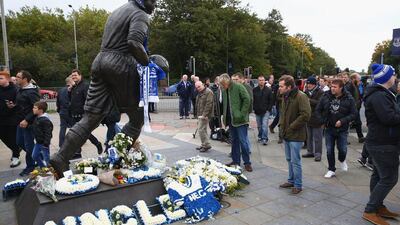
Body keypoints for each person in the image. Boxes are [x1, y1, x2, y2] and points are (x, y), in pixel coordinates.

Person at [50, 0, 158, 176]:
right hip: (121, 64)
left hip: (100, 61)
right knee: (137, 119)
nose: (155, 5)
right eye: (153, 0)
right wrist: (149, 64)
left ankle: (61, 157)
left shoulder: (118, 11)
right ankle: (113, 158)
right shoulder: (140, 14)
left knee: (91, 117)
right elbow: (134, 42)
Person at [362, 64, 400, 225]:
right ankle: (370, 210)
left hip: (380, 142)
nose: (395, 77)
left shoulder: (382, 93)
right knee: (389, 178)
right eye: (393, 75)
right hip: (383, 143)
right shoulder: (379, 96)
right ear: (386, 78)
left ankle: (378, 206)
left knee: (378, 176)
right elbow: (389, 118)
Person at [316, 79, 356, 179]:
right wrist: (322, 121)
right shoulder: (326, 96)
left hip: (342, 129)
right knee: (329, 150)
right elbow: (317, 110)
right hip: (329, 128)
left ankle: (342, 160)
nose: (332, 88)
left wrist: (342, 121)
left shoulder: (349, 98)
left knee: (342, 149)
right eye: (331, 86)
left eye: (335, 87)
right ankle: (331, 169)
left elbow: (354, 114)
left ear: (341, 88)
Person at [277, 75, 311, 194]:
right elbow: (283, 114)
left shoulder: (301, 96)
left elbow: (306, 115)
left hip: (296, 135)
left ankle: (298, 184)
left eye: (281, 86)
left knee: (295, 161)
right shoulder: (285, 96)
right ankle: (291, 180)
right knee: (289, 159)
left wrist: (291, 126)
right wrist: (282, 127)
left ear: (289, 87)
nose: (279, 88)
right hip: (287, 133)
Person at [220, 73, 252, 172]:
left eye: (223, 84)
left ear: (228, 81)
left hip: (241, 121)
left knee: (243, 142)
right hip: (231, 120)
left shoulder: (238, 86)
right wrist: (224, 117)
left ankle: (247, 163)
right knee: (234, 141)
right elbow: (225, 104)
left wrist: (242, 113)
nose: (222, 86)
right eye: (221, 84)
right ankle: (235, 161)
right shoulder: (224, 90)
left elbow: (247, 99)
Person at [10, 70, 40, 176]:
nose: (16, 78)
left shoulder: (32, 91)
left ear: (25, 79)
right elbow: (20, 104)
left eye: (18, 77)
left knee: (28, 145)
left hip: (29, 123)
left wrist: (27, 120)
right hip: (20, 122)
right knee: (19, 142)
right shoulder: (20, 90)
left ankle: (30, 167)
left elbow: (37, 108)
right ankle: (37, 154)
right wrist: (13, 105)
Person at [68, 69, 103, 158]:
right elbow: (71, 100)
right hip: (73, 115)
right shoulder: (73, 87)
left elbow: (88, 100)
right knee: (77, 134)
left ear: (80, 76)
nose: (74, 77)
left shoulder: (85, 86)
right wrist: (70, 91)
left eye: (75, 75)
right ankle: (77, 153)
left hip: (82, 115)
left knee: (84, 133)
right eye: (72, 76)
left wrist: (87, 113)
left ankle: (97, 143)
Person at [0, 70, 21, 168]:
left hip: (12, 118)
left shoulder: (15, 89)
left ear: (7, 79)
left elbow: (19, 103)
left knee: (12, 138)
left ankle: (15, 156)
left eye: (1, 78)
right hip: (1, 118)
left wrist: (13, 105)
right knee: (3, 137)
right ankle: (16, 148)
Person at [302, 77, 324, 161]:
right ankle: (310, 152)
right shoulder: (305, 92)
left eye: (310, 84)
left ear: (314, 84)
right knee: (309, 137)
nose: (308, 85)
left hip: (317, 118)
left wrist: (309, 100)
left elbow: (320, 103)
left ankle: (318, 154)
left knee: (317, 138)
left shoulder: (321, 92)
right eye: (307, 84)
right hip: (308, 118)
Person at [253, 75, 273, 145]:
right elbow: (253, 100)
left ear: (265, 81)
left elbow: (271, 100)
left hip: (266, 111)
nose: (261, 81)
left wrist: (269, 109)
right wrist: (254, 108)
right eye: (260, 80)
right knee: (259, 126)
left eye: (262, 80)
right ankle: (260, 136)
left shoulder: (268, 90)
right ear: (258, 81)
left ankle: (264, 138)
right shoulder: (254, 90)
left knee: (264, 125)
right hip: (257, 111)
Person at [32, 101, 53, 168]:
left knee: (47, 159)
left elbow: (48, 132)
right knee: (34, 156)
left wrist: (46, 143)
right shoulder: (37, 118)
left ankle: (50, 171)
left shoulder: (45, 120)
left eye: (35, 108)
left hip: (44, 144)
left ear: (40, 110)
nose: (33, 109)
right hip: (38, 142)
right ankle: (43, 167)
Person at [194, 81, 214, 152]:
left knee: (201, 129)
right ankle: (204, 144)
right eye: (196, 87)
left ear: (202, 85)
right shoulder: (201, 92)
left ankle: (206, 145)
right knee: (203, 129)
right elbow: (198, 104)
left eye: (199, 86)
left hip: (205, 115)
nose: (198, 88)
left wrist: (204, 115)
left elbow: (209, 104)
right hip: (200, 114)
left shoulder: (208, 92)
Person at [56, 76, 74, 148]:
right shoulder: (72, 90)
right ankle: (72, 142)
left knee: (62, 128)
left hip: (62, 111)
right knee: (74, 128)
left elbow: (58, 102)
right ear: (70, 82)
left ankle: (61, 144)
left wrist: (59, 110)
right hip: (70, 112)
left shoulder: (60, 90)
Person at [349, 73, 365, 143]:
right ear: (353, 79)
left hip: (356, 107)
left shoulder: (356, 85)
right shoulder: (350, 86)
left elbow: (359, 96)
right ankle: (360, 137)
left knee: (357, 123)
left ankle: (360, 137)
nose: (359, 81)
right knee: (357, 122)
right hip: (352, 108)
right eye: (358, 79)